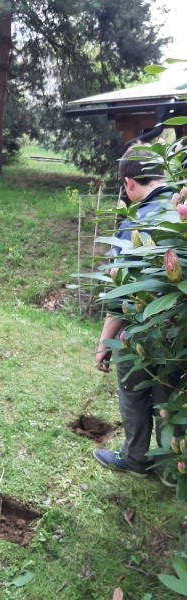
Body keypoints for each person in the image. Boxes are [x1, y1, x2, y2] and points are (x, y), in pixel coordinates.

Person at [93, 146, 178, 480]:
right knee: (170, 397)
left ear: (129, 183)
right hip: (178, 332)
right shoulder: (180, 210)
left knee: (133, 393)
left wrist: (105, 344)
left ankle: (136, 459)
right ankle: (174, 465)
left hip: (142, 331)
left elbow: (121, 292)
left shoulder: (136, 222)